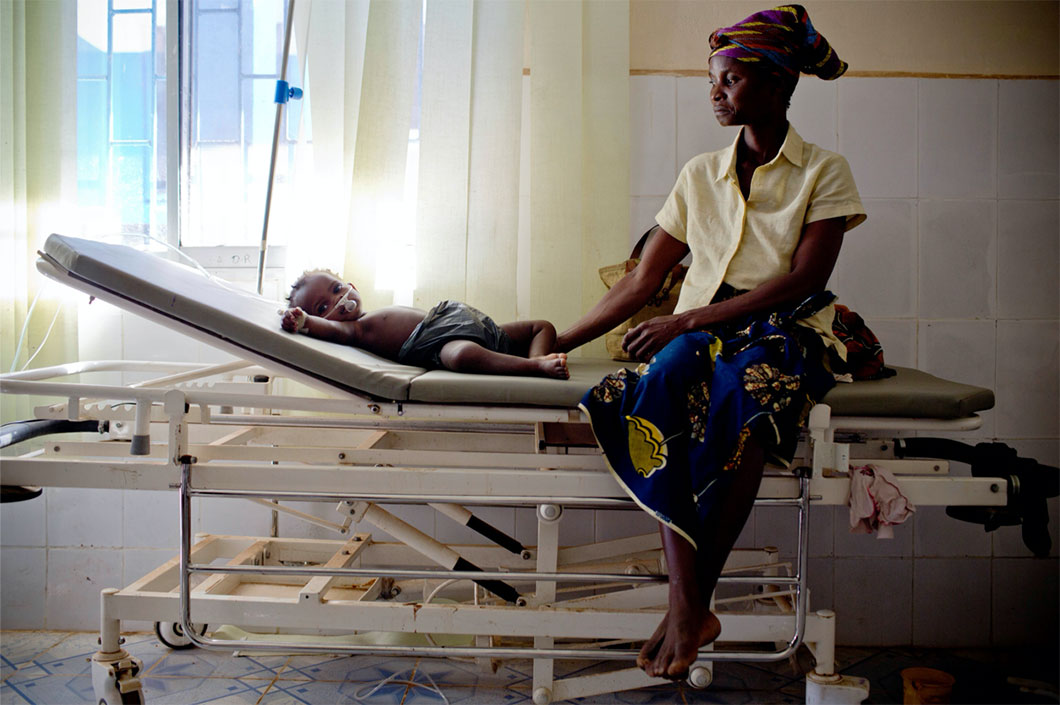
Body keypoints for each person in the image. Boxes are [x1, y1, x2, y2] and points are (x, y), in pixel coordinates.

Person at [554, 5, 866, 681]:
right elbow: (644, 280)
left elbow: (806, 277)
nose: (715, 93)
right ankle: (691, 603)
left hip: (780, 326)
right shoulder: (701, 174)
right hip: (695, 330)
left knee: (746, 398)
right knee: (659, 387)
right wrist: (558, 340)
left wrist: (690, 321)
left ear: (778, 84)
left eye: (728, 80)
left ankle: (688, 605)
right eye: (712, 81)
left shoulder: (825, 171)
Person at [281, 269, 569, 379]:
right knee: (461, 356)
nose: (338, 300)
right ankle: (535, 369)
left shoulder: (370, 315)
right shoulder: (355, 330)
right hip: (441, 343)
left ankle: (539, 359)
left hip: (463, 321)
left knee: (542, 327)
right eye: (323, 307)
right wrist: (305, 322)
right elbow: (331, 330)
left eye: (336, 288)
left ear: (350, 284)